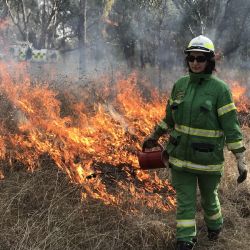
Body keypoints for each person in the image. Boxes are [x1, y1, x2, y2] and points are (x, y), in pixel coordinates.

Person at [142, 35, 248, 250]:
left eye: (200, 59)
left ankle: (215, 227)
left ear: (210, 61)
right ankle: (185, 241)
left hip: (209, 161)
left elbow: (231, 126)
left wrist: (240, 158)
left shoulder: (220, 90)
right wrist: (154, 136)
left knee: (209, 199)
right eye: (191, 58)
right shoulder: (180, 86)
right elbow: (169, 119)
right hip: (181, 159)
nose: (195, 63)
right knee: (185, 202)